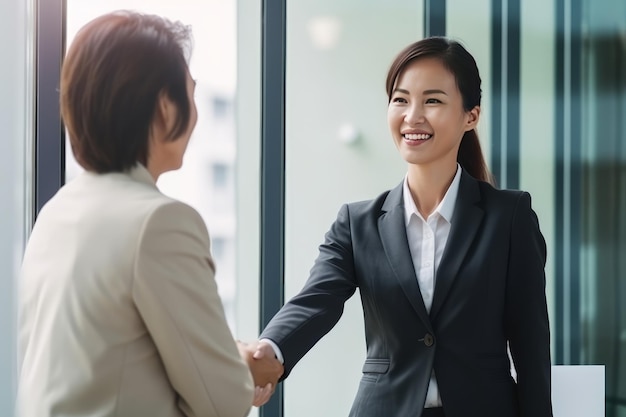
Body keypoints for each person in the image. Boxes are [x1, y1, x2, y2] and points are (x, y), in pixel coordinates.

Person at [251, 37, 552, 417]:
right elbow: (315, 304)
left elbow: (531, 345)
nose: (412, 116)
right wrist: (270, 351)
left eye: (433, 100)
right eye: (400, 99)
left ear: (471, 115)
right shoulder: (357, 224)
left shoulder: (509, 217)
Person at [16, 11, 282, 417]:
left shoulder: (57, 213)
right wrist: (245, 366)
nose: (196, 113)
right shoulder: (159, 223)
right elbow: (222, 400)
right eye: (190, 94)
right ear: (163, 107)